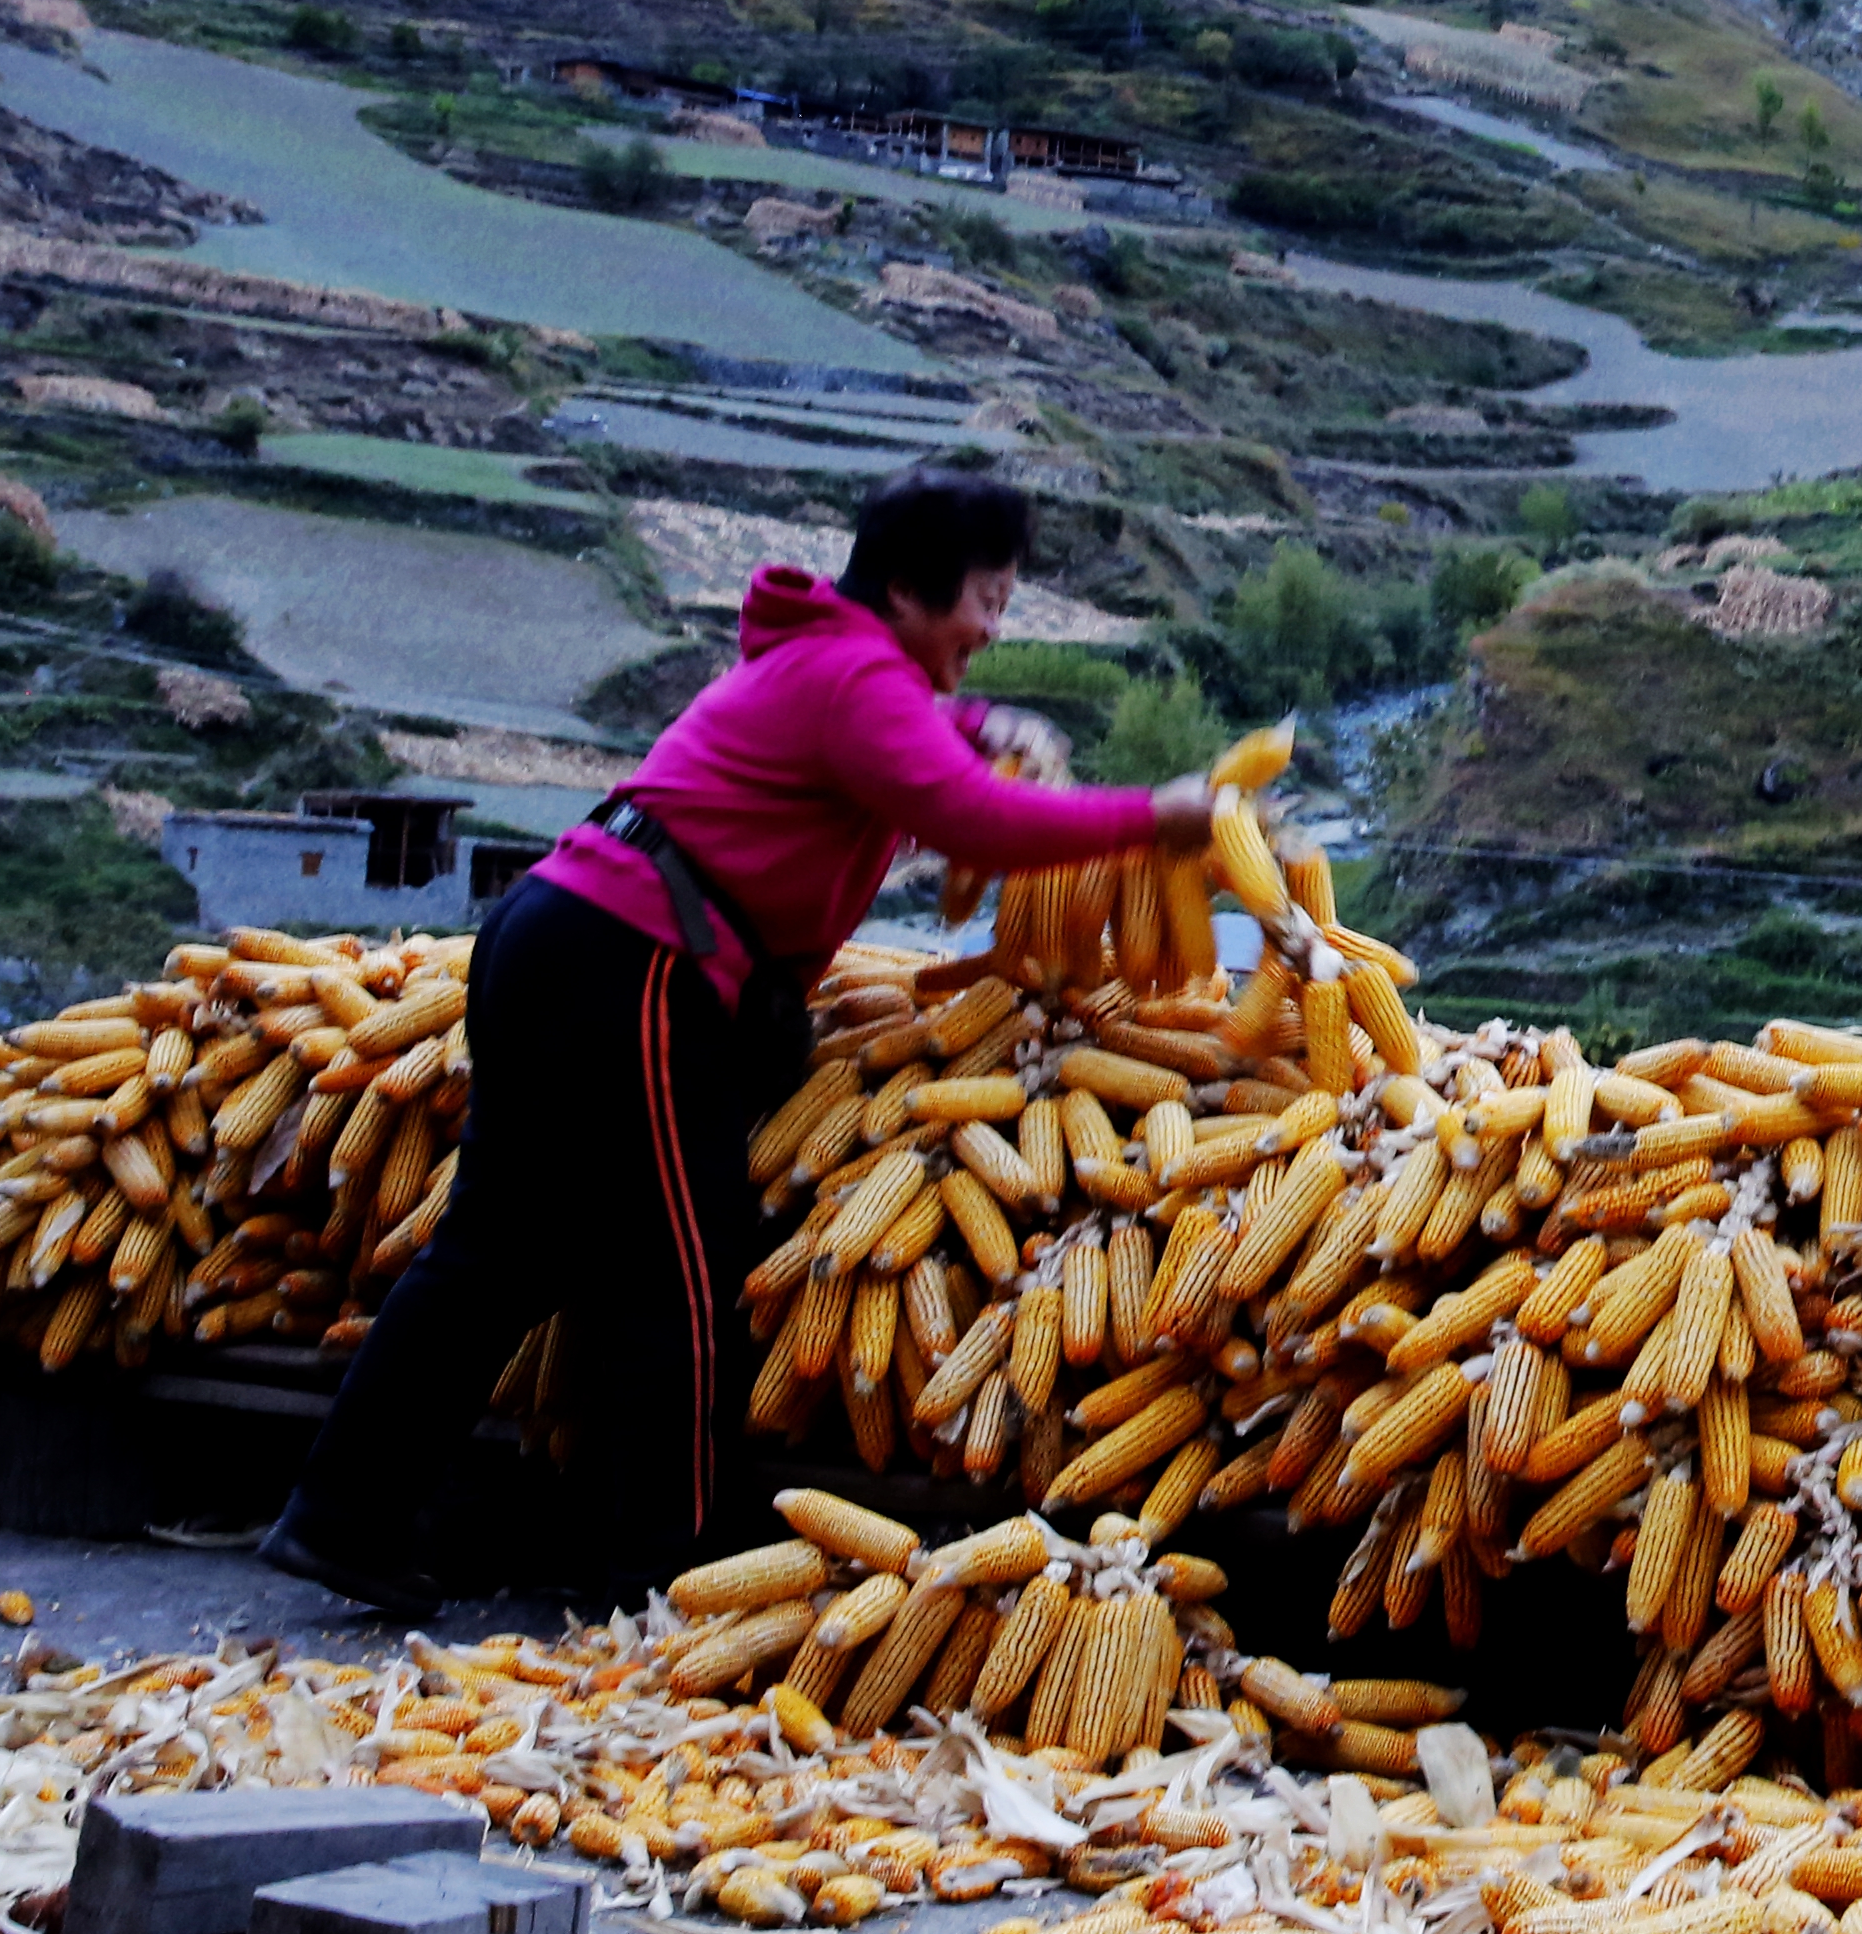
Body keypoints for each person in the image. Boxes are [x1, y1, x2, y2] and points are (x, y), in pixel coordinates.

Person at [262, 466, 1205, 1614]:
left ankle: (341, 1520)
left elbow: (914, 742)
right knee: (678, 1277)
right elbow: (972, 817)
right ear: (910, 590)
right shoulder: (855, 674)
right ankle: (667, 1569)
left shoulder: (838, 661)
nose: (992, 630)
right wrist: (1159, 812)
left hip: (556, 936)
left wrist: (978, 718)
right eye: (988, 600)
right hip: (637, 964)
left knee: (497, 1252)